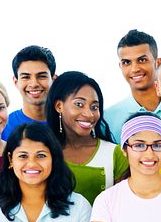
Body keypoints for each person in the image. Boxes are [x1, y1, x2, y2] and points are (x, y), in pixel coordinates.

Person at [46, 71, 127, 204]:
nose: (89, 114)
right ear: (59, 106)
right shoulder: (43, 152)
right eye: (79, 104)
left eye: (94, 107)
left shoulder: (114, 153)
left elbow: (125, 207)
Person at [3, 45, 57, 140]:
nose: (34, 84)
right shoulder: (4, 127)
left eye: (41, 76)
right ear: (16, 82)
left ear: (54, 79)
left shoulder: (68, 125)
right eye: (26, 77)